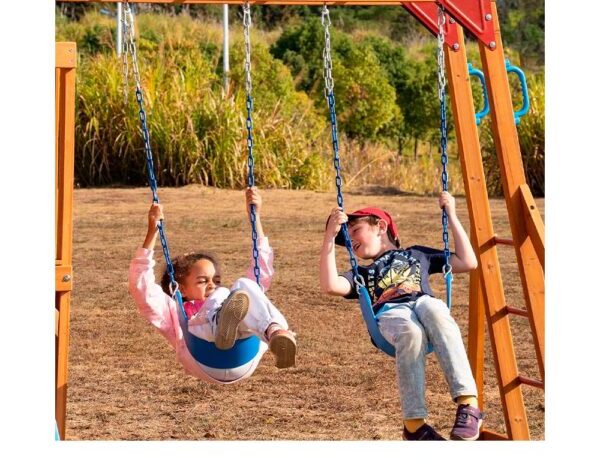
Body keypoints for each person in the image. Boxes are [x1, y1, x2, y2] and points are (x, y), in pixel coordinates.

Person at [319, 191, 482, 440]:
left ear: (381, 226)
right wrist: (329, 237)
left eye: (354, 231)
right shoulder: (362, 273)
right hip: (391, 314)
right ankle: (415, 425)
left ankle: (468, 404)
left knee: (435, 311)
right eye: (346, 238)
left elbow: (468, 262)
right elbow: (331, 285)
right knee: (411, 332)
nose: (350, 241)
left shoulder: (417, 254)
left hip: (423, 302)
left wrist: (452, 214)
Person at [128, 187, 297, 385]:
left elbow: (263, 270)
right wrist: (151, 233)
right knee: (226, 294)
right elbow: (141, 287)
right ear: (181, 289)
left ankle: (274, 332)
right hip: (205, 359)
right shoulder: (174, 310)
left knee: (246, 285)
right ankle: (220, 325)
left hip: (243, 355)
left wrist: (256, 217)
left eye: (215, 280)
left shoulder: (230, 301)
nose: (212, 285)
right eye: (202, 281)